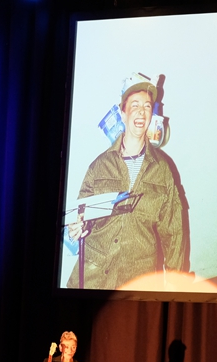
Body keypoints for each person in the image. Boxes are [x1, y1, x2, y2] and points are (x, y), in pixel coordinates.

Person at [66, 72, 184, 289]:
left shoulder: (163, 170)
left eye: (147, 106)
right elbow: (80, 216)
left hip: (138, 278)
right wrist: (76, 228)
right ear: (123, 113)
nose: (141, 111)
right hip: (93, 276)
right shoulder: (99, 166)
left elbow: (173, 232)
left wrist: (175, 281)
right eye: (135, 105)